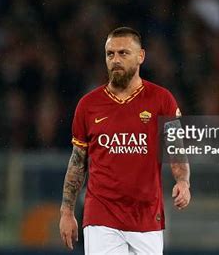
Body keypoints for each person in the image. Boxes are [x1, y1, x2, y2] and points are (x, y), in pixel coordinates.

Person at [59, 27, 190, 254]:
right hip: (101, 215)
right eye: (110, 54)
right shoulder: (88, 105)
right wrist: (66, 212)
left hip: (147, 215)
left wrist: (183, 182)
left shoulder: (162, 100)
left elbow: (176, 149)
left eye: (123, 53)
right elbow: (77, 162)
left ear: (141, 56)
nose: (115, 60)